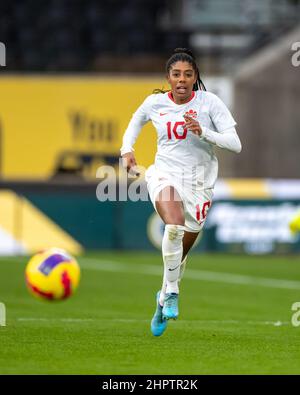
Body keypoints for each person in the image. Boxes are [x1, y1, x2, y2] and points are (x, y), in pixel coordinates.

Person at [120, 48, 242, 337]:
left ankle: (162, 298)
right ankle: (173, 292)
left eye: (188, 74)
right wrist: (127, 150)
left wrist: (203, 131)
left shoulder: (209, 103)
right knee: (172, 225)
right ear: (168, 78)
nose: (182, 79)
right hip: (165, 174)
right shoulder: (155, 103)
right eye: (176, 74)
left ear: (195, 77)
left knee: (179, 254)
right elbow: (134, 123)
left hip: (200, 184)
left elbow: (235, 144)